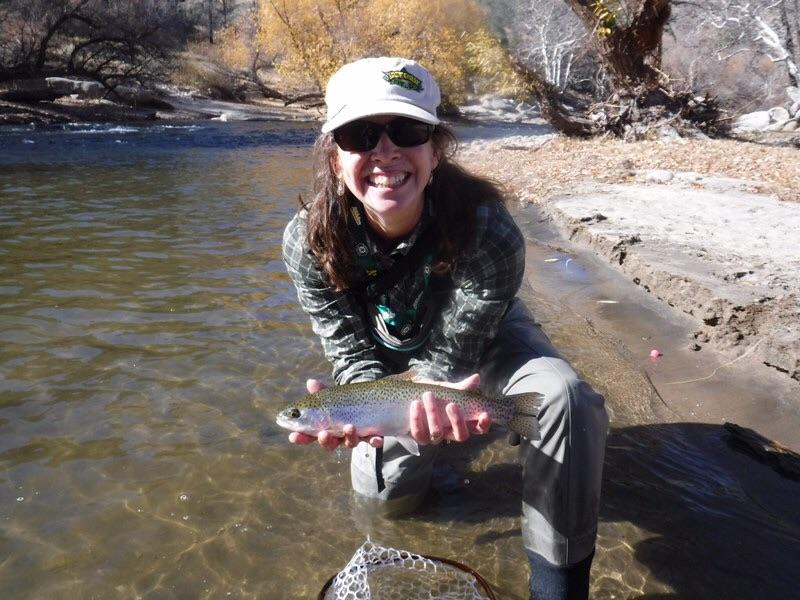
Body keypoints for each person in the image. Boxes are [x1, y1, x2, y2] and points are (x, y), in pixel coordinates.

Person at [282, 56, 608, 599]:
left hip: (484, 340)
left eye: (406, 130)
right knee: (389, 504)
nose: (384, 152)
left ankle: (559, 584)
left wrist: (433, 400)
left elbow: (459, 349)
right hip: (389, 365)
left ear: (436, 148)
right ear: (336, 157)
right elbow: (348, 351)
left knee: (563, 401)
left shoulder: (489, 227)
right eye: (360, 134)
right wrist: (364, 405)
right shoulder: (308, 242)